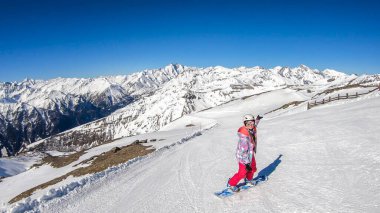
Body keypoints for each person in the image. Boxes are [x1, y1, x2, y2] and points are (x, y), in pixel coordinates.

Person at [227, 114, 262, 192]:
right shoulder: (244, 138)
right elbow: (243, 152)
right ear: (245, 124)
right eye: (248, 124)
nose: (251, 125)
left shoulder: (252, 128)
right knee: (242, 172)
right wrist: (246, 163)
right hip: (243, 157)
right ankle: (231, 183)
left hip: (250, 154)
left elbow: (255, 124)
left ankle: (249, 180)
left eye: (252, 123)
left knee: (253, 168)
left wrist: (258, 119)